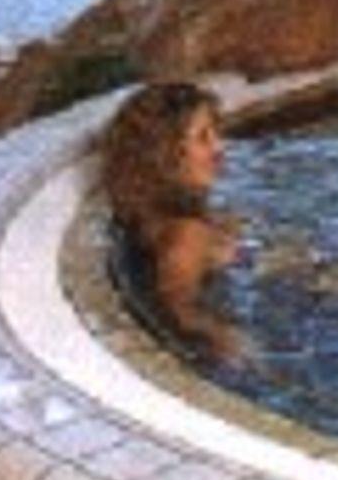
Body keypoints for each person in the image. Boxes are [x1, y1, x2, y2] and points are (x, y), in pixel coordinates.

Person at [101, 81, 240, 357]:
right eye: (203, 137)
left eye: (216, 132)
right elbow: (181, 310)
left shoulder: (149, 210)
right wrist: (230, 343)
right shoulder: (187, 234)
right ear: (164, 153)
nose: (219, 147)